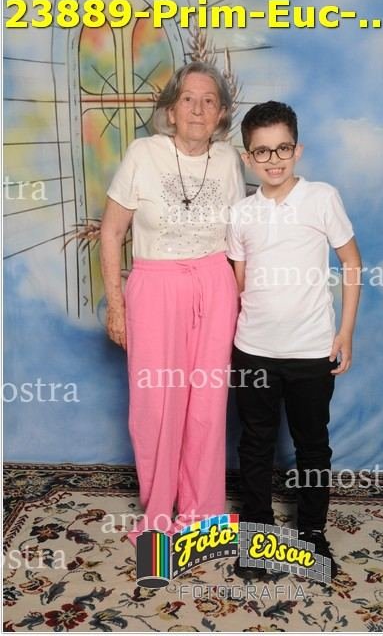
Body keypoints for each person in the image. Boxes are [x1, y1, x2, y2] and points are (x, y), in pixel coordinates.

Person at [100, 61, 245, 544]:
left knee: (207, 404)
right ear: (170, 110)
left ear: (221, 113)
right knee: (156, 404)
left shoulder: (228, 160)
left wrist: (244, 303)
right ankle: (159, 513)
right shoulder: (142, 153)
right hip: (155, 287)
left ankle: (202, 515)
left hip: (215, 285)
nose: (198, 109)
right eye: (188, 99)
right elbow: (111, 232)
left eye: (209, 101)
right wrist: (116, 306)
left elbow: (239, 240)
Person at [227, 101, 361, 580]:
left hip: (311, 350)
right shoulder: (241, 213)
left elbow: (351, 263)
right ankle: (257, 536)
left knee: (312, 445)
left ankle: (312, 534)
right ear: (248, 158)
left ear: (297, 150)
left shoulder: (322, 197)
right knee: (255, 444)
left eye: (282, 148)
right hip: (254, 351)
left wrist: (345, 332)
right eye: (262, 151)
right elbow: (240, 283)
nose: (273, 159)